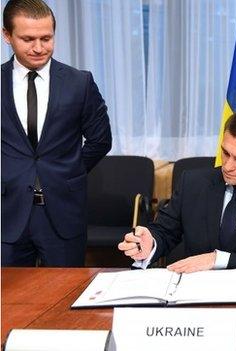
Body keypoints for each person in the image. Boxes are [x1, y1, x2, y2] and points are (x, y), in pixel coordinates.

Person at [118, 110, 236, 271]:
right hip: (191, 296)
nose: (227, 166)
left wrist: (218, 260)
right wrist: (150, 243)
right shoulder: (193, 183)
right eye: (225, 153)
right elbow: (165, 231)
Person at [1, 0, 112, 267]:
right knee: (8, 303)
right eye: (28, 39)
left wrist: (68, 171)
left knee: (64, 300)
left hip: (63, 212)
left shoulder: (80, 82)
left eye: (46, 38)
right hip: (7, 211)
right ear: (6, 35)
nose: (39, 48)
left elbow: (100, 140)